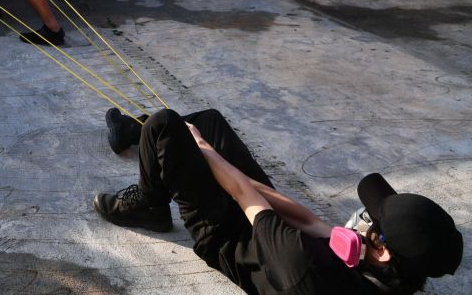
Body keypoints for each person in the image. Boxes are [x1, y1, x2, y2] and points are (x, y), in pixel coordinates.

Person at [94, 107, 463, 293]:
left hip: (226, 236)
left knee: (164, 124)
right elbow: (306, 220)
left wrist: (202, 150)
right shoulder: (375, 265)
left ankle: (150, 203)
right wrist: (222, 161)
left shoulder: (307, 269)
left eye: (372, 218)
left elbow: (245, 199)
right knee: (209, 121)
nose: (363, 215)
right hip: (264, 224)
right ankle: (148, 143)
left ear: (383, 251)